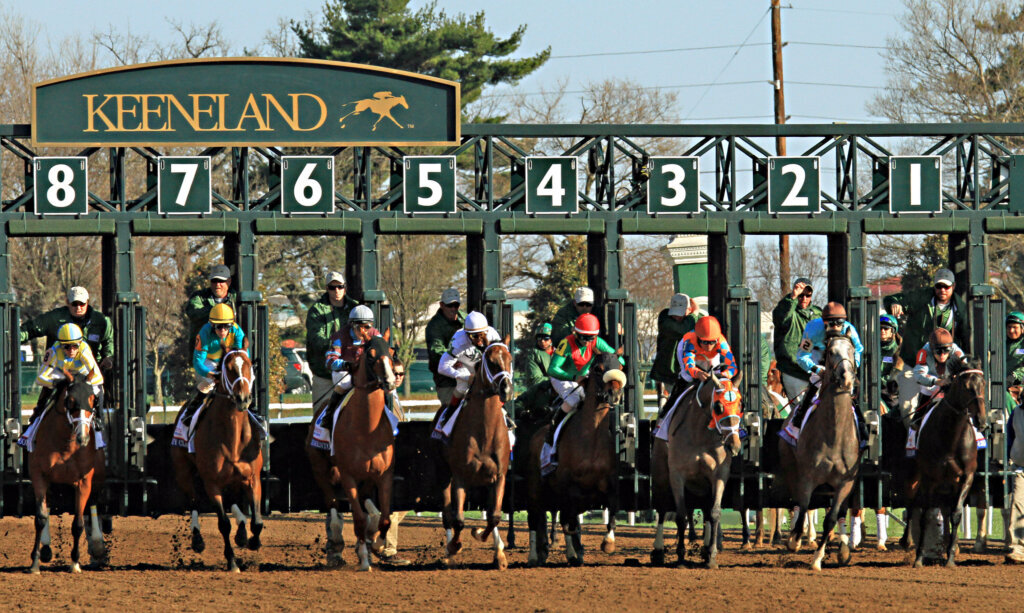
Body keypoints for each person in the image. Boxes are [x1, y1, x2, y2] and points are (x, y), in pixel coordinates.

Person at [172, 303, 254, 448]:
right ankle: (191, 412)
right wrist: (210, 374)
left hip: (228, 361)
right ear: (212, 325)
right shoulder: (203, 334)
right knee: (208, 386)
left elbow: (243, 356)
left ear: (231, 324)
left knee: (245, 382)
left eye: (226, 326)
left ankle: (255, 413)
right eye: (218, 327)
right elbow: (197, 363)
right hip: (207, 363)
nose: (222, 330)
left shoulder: (237, 331)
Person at [783, 302, 865, 441]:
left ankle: (862, 429)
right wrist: (815, 369)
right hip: (818, 355)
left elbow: (858, 350)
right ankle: (797, 422)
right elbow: (802, 356)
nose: (835, 327)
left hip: (841, 358)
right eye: (831, 324)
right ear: (823, 322)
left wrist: (851, 367)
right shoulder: (813, 329)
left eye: (839, 323)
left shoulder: (849, 329)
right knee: (816, 384)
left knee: (849, 389)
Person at [18, 323, 105, 446]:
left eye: (75, 346)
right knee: (45, 393)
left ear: (80, 343)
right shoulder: (53, 351)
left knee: (98, 389)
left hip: (82, 377)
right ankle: (31, 428)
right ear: (60, 345)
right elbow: (40, 378)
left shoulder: (84, 349)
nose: (71, 350)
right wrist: (55, 383)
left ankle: (99, 421)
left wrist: (82, 384)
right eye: (67, 347)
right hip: (62, 376)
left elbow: (98, 377)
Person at [545, 313, 620, 449]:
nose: (587, 341)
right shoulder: (566, 343)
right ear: (576, 333)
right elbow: (552, 369)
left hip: (581, 376)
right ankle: (553, 429)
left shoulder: (597, 342)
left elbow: (615, 357)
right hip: (562, 376)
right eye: (584, 337)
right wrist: (573, 377)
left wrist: (619, 362)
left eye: (590, 337)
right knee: (574, 400)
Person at [657, 315, 738, 425]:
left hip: (711, 357)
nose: (709, 346)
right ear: (698, 338)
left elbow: (733, 367)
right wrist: (697, 373)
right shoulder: (689, 341)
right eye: (705, 342)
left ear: (717, 340)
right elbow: (689, 366)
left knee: (719, 380)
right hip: (690, 355)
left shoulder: (722, 343)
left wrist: (725, 374)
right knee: (687, 377)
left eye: (712, 342)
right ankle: (665, 414)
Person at [433, 311, 502, 437]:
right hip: (464, 366)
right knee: (462, 386)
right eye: (475, 336)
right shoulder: (458, 342)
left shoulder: (493, 335)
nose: (480, 341)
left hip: (483, 366)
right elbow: (442, 367)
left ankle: (505, 416)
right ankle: (448, 415)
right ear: (467, 334)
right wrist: (465, 377)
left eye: (482, 336)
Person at [884, 268, 970, 366]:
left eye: (946, 286)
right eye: (939, 286)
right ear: (934, 286)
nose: (942, 290)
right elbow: (891, 299)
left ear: (953, 286)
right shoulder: (921, 298)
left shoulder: (961, 309)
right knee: (903, 379)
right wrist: (894, 303)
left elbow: (967, 337)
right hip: (915, 362)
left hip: (946, 363)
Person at [21, 286, 114, 372]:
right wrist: (13, 338)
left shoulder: (102, 321)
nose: (78, 307)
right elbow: (31, 329)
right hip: (60, 369)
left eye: (82, 304)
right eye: (74, 304)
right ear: (67, 303)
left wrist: (108, 356)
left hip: (90, 369)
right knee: (47, 386)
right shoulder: (54, 318)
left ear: (87, 302)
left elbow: (109, 341)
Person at [306, 271, 359, 413]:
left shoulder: (356, 308)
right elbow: (315, 338)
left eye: (340, 286)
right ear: (327, 289)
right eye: (332, 287)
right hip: (324, 375)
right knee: (321, 418)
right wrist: (336, 347)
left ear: (345, 287)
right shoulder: (316, 310)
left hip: (350, 373)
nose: (337, 291)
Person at [318, 305, 380, 419]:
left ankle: (394, 415)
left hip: (366, 373)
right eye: (359, 327)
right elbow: (330, 360)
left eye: (367, 327)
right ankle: (329, 415)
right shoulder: (339, 337)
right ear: (352, 325)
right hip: (345, 372)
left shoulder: (375, 335)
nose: (363, 331)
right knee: (345, 382)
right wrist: (346, 364)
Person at [772, 278, 822, 402]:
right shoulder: (788, 311)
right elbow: (781, 318)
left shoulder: (819, 313)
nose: (804, 298)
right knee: (801, 409)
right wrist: (792, 297)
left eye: (807, 295)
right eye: (801, 295)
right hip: (793, 371)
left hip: (816, 372)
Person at [649, 293, 700, 410]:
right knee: (665, 408)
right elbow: (683, 329)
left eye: (681, 313)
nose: (677, 317)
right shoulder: (664, 318)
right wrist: (695, 314)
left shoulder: (696, 320)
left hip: (689, 373)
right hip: (666, 373)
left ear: (689, 310)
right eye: (675, 313)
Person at [185, 264, 238, 353]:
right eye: (214, 281)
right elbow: (192, 313)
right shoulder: (199, 297)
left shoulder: (237, 299)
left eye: (221, 281)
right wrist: (218, 312)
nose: (217, 284)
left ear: (229, 281)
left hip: (230, 353)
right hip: (204, 353)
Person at [912, 327, 966, 414]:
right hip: (931, 382)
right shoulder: (924, 352)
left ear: (951, 348)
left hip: (950, 381)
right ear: (931, 349)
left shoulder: (957, 353)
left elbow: (965, 371)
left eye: (946, 350)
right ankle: (918, 417)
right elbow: (918, 374)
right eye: (938, 351)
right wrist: (937, 381)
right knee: (926, 388)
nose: (942, 355)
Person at [426, 288, 465, 406]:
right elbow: (436, 350)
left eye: (456, 305)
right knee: (451, 410)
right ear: (442, 305)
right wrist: (454, 360)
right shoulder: (434, 326)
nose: (453, 309)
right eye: (450, 305)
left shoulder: (467, 319)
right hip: (447, 382)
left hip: (469, 375)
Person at [879, 314, 904, 414]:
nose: (882, 331)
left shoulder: (899, 351)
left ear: (893, 331)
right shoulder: (870, 348)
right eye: (880, 328)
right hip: (870, 388)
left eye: (886, 328)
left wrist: (882, 380)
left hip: (889, 392)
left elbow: (898, 376)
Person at [519, 322, 554, 389]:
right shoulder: (533, 355)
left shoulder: (562, 351)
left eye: (546, 338)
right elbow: (535, 380)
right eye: (539, 338)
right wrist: (557, 381)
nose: (542, 341)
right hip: (541, 392)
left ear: (552, 339)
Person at [1006, 312, 1024, 412]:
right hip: (1002, 382)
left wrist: (1015, 376)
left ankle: (1013, 417)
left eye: (1014, 327)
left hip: (1019, 383)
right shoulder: (1001, 343)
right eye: (1009, 327)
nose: (1011, 330)